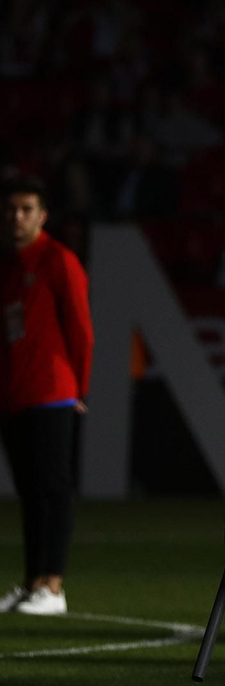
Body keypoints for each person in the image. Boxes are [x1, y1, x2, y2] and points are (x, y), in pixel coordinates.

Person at [0, 175, 93, 616]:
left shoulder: (58, 259)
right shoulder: (10, 266)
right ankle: (32, 581)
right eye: (11, 209)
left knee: (52, 490)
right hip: (16, 395)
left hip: (54, 393)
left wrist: (79, 388)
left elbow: (81, 330)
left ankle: (53, 586)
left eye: (25, 209)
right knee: (31, 492)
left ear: (42, 216)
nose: (16, 217)